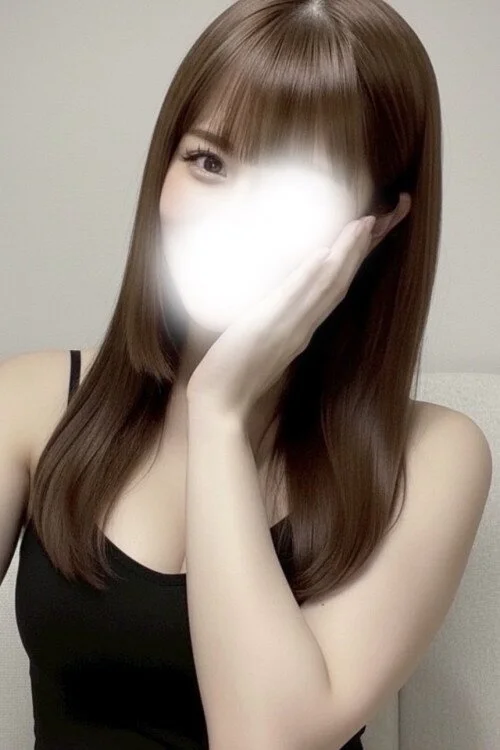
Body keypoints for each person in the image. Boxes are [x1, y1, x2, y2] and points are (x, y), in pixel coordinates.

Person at [1, 1, 491, 748]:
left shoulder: (431, 455)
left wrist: (220, 409)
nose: (233, 217)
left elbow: (264, 741)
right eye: (208, 162)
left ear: (380, 223)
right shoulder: (34, 403)